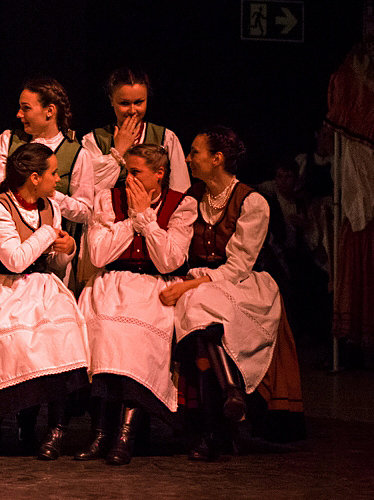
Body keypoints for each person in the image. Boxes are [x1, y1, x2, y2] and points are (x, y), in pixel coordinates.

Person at [159, 126, 282, 460]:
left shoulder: (252, 202)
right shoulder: (192, 197)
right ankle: (227, 397)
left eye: (195, 152)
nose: (188, 159)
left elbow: (239, 266)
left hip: (244, 286)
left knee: (199, 304)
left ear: (217, 159)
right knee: (199, 313)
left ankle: (213, 428)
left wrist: (190, 285)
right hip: (200, 284)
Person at [0, 143, 89, 460]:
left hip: (41, 285)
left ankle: (54, 429)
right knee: (14, 338)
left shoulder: (51, 207)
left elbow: (53, 265)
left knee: (62, 334)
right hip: (1, 286)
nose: (58, 179)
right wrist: (48, 233)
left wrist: (67, 249)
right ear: (34, 177)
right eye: (53, 173)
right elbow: (16, 260)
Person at [77, 144, 197, 465]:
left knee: (137, 338)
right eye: (126, 171)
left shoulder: (182, 205)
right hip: (112, 282)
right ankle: (100, 433)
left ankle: (125, 436)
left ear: (159, 174)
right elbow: (99, 254)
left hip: (154, 286)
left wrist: (147, 219)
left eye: (135, 172)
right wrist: (133, 220)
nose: (128, 178)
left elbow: (170, 260)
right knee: (103, 330)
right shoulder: (108, 199)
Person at [0, 77, 93, 226]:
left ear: (49, 111)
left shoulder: (77, 155)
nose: (19, 114)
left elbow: (85, 213)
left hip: (53, 236)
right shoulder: (9, 140)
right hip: (7, 232)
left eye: (26, 108)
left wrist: (50, 193)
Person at [82, 68, 190, 194]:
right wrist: (118, 152)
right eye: (124, 103)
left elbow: (180, 189)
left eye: (139, 102)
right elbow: (89, 190)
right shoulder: (95, 140)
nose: (132, 110)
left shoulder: (166, 137)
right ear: (112, 101)